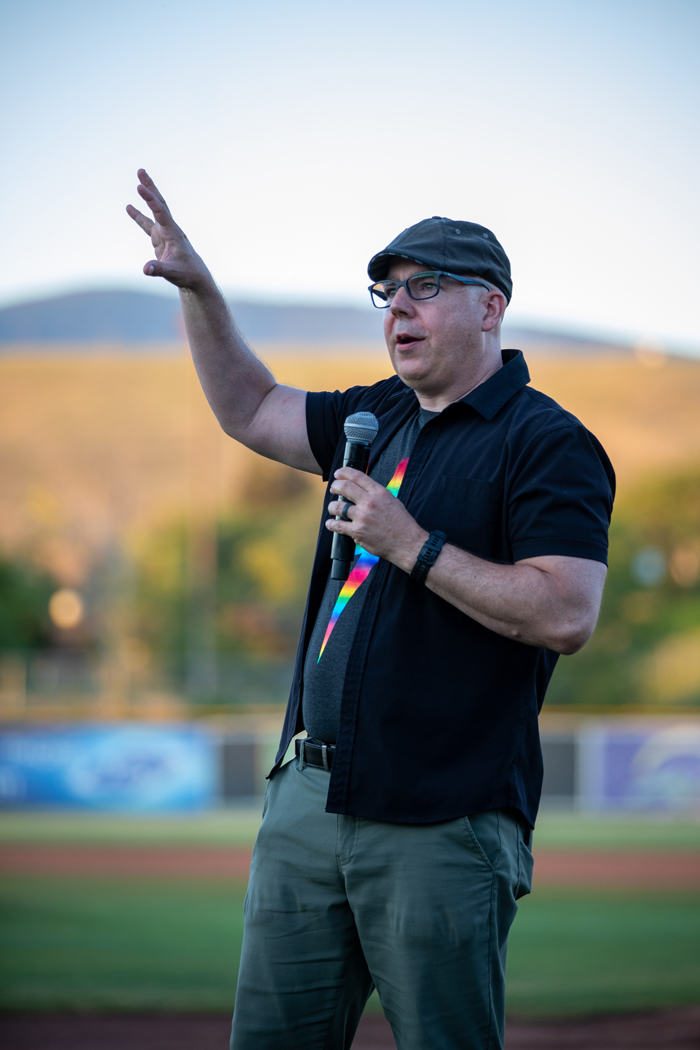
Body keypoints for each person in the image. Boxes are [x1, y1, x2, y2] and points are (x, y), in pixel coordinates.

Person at [128, 170, 615, 1050]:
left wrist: (410, 543)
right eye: (388, 293)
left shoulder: (548, 442)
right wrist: (201, 292)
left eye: (427, 289)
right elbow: (248, 408)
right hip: (309, 799)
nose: (399, 310)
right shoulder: (376, 416)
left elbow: (564, 614)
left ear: (491, 307)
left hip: (443, 813)